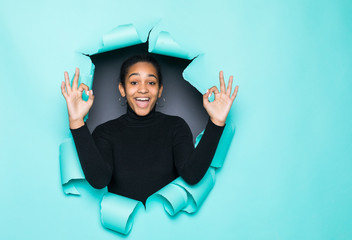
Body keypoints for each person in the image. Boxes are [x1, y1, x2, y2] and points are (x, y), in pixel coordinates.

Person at [61, 55, 239, 204]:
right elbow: (99, 181)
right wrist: (76, 122)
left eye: (151, 83)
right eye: (134, 82)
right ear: (122, 89)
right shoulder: (105, 132)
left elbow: (192, 175)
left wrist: (216, 122)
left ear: (160, 90)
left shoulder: (176, 126)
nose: (143, 89)